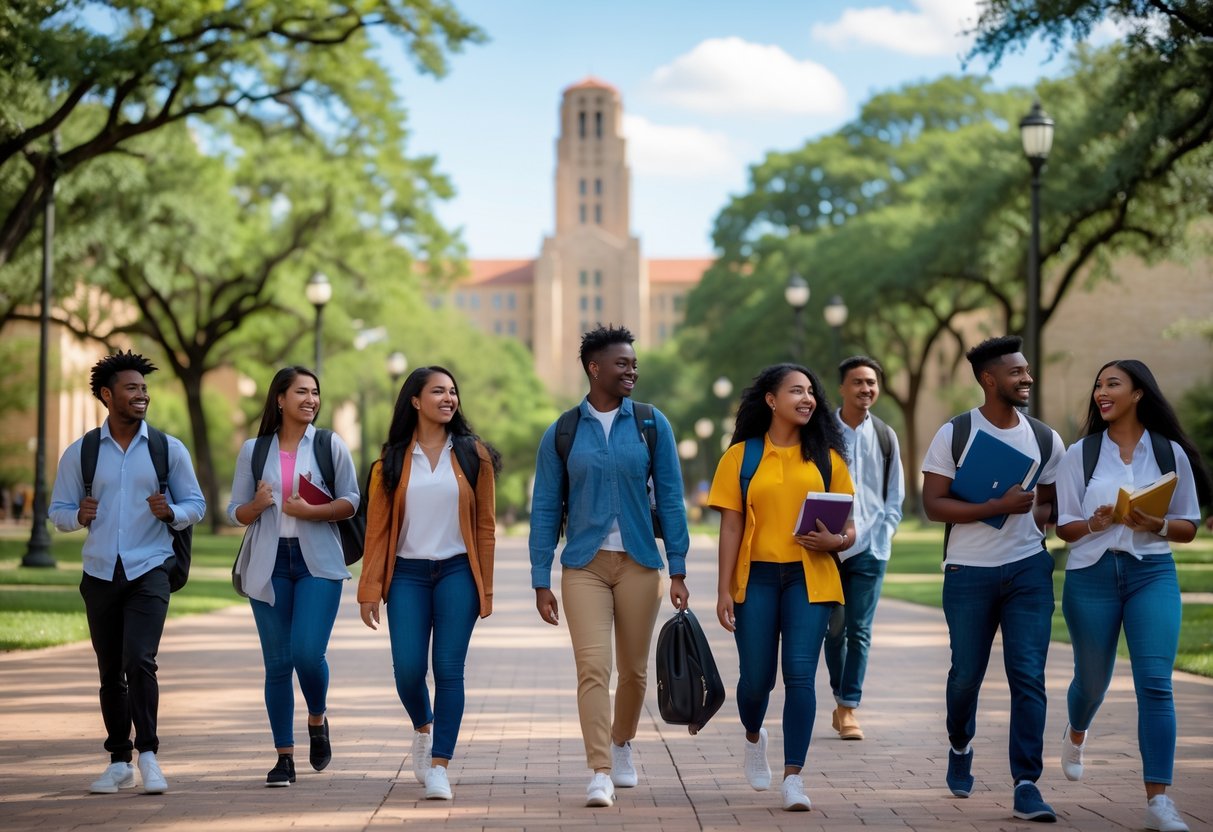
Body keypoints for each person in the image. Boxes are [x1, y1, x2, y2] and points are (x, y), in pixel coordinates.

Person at [529, 324, 690, 809]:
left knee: (636, 672)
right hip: (585, 566)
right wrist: (541, 578)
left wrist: (677, 567)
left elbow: (672, 499)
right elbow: (543, 508)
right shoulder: (563, 431)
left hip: (641, 562)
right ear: (594, 368)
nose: (632, 370)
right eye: (622, 363)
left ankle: (621, 742)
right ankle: (599, 769)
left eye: (634, 363)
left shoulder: (650, 423)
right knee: (594, 668)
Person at [1054, 360, 1210, 832]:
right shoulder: (1080, 454)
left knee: (1156, 685)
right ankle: (1077, 729)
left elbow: (1188, 526)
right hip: (1091, 577)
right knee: (1092, 682)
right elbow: (1065, 528)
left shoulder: (1168, 454)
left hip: (1151, 574)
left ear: (1139, 393)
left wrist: (1154, 523)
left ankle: (1158, 801)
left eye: (1112, 384)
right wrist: (1097, 522)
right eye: (1098, 384)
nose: (1102, 392)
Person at [920, 335, 1064, 822]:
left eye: (1026, 371)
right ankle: (960, 742)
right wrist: (995, 507)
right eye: (1016, 372)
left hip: (1028, 568)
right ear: (988, 380)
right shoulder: (955, 434)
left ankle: (1026, 783)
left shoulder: (1046, 439)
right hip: (968, 572)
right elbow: (933, 504)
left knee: (1029, 675)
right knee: (966, 675)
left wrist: (1036, 513)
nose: (1026, 378)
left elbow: (1050, 502)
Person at [49, 350, 206, 795]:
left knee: (140, 659)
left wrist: (170, 510)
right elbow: (56, 511)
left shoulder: (166, 449)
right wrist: (76, 516)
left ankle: (149, 755)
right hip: (99, 572)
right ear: (107, 395)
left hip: (149, 567)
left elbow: (196, 505)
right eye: (131, 388)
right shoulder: (81, 453)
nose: (141, 395)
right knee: (109, 671)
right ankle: (119, 760)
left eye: (143, 388)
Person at [707, 363, 856, 812]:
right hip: (757, 579)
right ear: (771, 400)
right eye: (796, 391)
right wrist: (722, 591)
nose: (808, 398)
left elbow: (849, 525)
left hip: (809, 580)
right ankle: (754, 736)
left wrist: (839, 541)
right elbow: (730, 529)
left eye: (811, 391)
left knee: (799, 675)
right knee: (755, 681)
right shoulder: (741, 457)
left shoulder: (828, 458)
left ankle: (794, 776)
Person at [357, 366, 499, 801]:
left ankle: (440, 765)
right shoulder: (391, 462)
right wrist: (368, 589)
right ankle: (423, 727)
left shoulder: (475, 455)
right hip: (408, 577)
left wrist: (484, 588)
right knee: (408, 671)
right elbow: (377, 531)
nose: (448, 398)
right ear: (415, 401)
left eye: (453, 391)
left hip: (457, 572)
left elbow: (486, 527)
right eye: (438, 391)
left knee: (449, 671)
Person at [228, 366, 359, 787]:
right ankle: (284, 758)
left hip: (317, 562)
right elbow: (235, 512)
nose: (310, 399)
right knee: (278, 664)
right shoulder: (253, 449)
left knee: (306, 654)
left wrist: (310, 512)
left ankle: (317, 719)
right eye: (301, 392)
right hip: (268, 562)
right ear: (279, 399)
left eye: (315, 392)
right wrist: (257, 504)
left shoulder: (328, 443)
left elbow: (352, 502)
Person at [824, 356, 904, 741]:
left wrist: (883, 535)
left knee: (860, 630)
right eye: (857, 382)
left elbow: (895, 496)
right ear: (842, 388)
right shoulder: (821, 433)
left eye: (871, 382)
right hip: (828, 548)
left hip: (870, 548)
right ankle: (841, 697)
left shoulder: (887, 436)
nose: (865, 389)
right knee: (833, 629)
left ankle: (848, 706)